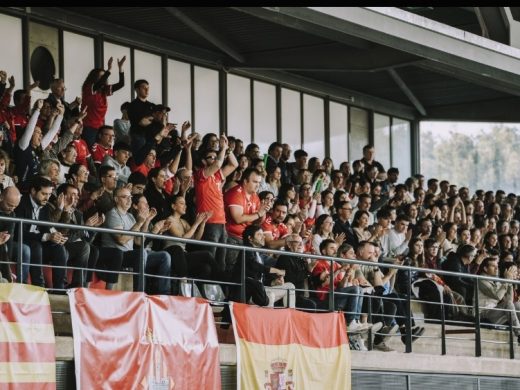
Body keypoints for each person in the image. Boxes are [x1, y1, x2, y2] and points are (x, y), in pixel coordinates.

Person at [100, 187, 171, 294]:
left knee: (164, 256)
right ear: (116, 199)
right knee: (141, 253)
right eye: (125, 197)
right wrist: (138, 223)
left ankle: (163, 293)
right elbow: (121, 239)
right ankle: (139, 293)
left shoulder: (130, 216)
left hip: (129, 254)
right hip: (116, 255)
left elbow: (139, 242)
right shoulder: (112, 214)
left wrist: (146, 220)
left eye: (130, 197)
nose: (129, 200)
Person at [15, 176, 69, 291]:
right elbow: (18, 232)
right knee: (36, 245)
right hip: (23, 243)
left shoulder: (45, 207)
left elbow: (47, 227)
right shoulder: (21, 203)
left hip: (38, 244)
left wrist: (57, 236)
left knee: (59, 248)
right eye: (44, 194)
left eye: (49, 194)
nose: (47, 198)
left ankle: (60, 290)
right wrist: (47, 236)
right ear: (33, 191)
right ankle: (38, 287)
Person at [194, 135, 238, 274]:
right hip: (209, 222)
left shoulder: (217, 175)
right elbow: (218, 164)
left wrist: (228, 150)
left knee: (221, 262)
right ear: (203, 161)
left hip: (221, 223)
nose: (214, 160)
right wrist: (223, 148)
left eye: (215, 157)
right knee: (209, 261)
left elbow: (234, 165)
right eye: (210, 158)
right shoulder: (201, 174)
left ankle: (220, 291)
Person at [163, 195, 220, 291]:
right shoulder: (169, 220)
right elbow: (183, 238)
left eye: (185, 204)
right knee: (205, 254)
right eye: (181, 203)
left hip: (183, 255)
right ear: (173, 206)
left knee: (205, 268)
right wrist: (196, 223)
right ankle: (220, 280)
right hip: (172, 252)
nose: (185, 206)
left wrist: (203, 223)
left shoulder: (183, 222)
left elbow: (195, 239)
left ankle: (206, 291)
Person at [81, 56, 126, 147]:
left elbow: (121, 84)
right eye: (101, 76)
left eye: (104, 76)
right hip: (89, 126)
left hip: (101, 127)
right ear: (94, 77)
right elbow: (99, 84)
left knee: (101, 151)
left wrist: (120, 68)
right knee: (90, 150)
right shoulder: (89, 88)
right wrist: (108, 70)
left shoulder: (103, 90)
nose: (104, 78)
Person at [478, 257, 520, 344]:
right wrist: (506, 280)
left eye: (497, 266)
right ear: (485, 268)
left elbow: (510, 301)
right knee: (509, 304)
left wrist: (510, 282)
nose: (496, 268)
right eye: (493, 266)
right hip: (483, 314)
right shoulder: (481, 279)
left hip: (493, 313)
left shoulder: (495, 280)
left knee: (517, 305)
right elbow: (497, 296)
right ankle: (519, 333)